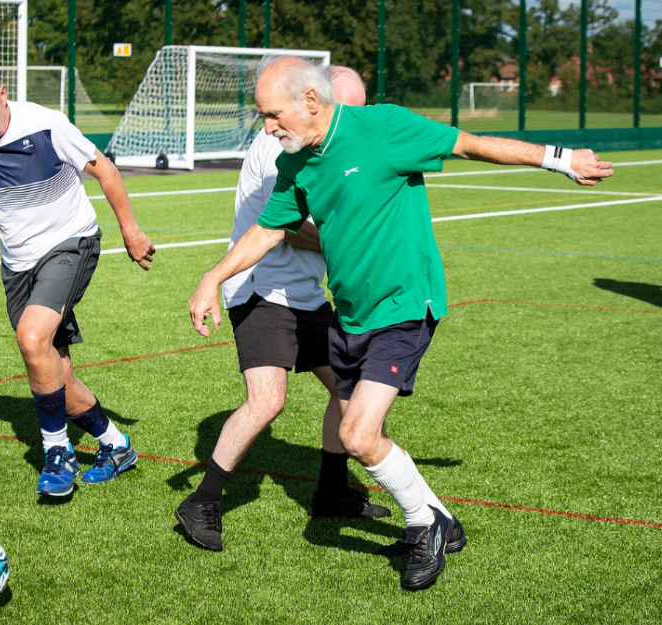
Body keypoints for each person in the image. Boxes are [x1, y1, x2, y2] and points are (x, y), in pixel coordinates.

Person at [188, 56, 613, 590]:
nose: (267, 127)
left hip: (405, 305)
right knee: (359, 429)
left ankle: (425, 526)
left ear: (311, 103)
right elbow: (268, 230)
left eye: (273, 115)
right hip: (350, 313)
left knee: (358, 432)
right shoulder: (296, 162)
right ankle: (442, 521)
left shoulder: (384, 126)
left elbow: (468, 144)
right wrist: (213, 275)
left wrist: (561, 158)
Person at [175, 66, 390, 553]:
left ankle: (333, 493)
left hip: (305, 295)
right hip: (260, 289)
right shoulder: (283, 144)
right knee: (268, 400)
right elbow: (286, 226)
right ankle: (202, 500)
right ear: (319, 101)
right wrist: (348, 243)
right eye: (348, 112)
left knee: (351, 389)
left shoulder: (325, 138)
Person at [0, 64, 156, 497]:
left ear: (3, 94)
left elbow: (104, 169)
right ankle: (116, 445)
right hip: (17, 265)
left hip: (71, 242)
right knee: (54, 372)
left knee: (32, 339)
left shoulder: (47, 124)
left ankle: (57, 451)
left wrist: (131, 231)